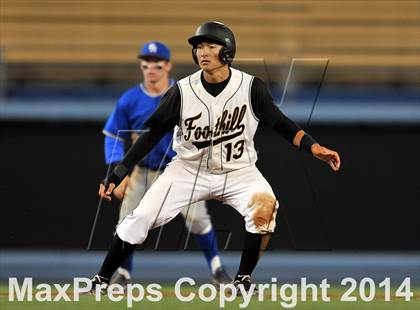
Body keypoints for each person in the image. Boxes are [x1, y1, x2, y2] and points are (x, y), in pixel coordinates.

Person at [93, 21, 341, 293]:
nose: (203, 52)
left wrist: (313, 147)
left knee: (265, 208)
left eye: (211, 45)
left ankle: (242, 279)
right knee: (139, 218)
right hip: (188, 170)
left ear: (227, 51)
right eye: (199, 47)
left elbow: (281, 123)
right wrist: (119, 172)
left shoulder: (250, 87)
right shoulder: (182, 90)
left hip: (239, 172)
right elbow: (152, 134)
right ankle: (101, 280)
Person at [101, 41, 231, 287]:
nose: (151, 70)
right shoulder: (130, 99)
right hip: (144, 171)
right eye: (146, 65)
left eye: (157, 65)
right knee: (127, 222)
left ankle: (217, 269)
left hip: (182, 169)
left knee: (197, 219)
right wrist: (118, 170)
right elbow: (114, 135)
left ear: (168, 66)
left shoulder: (185, 93)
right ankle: (124, 274)